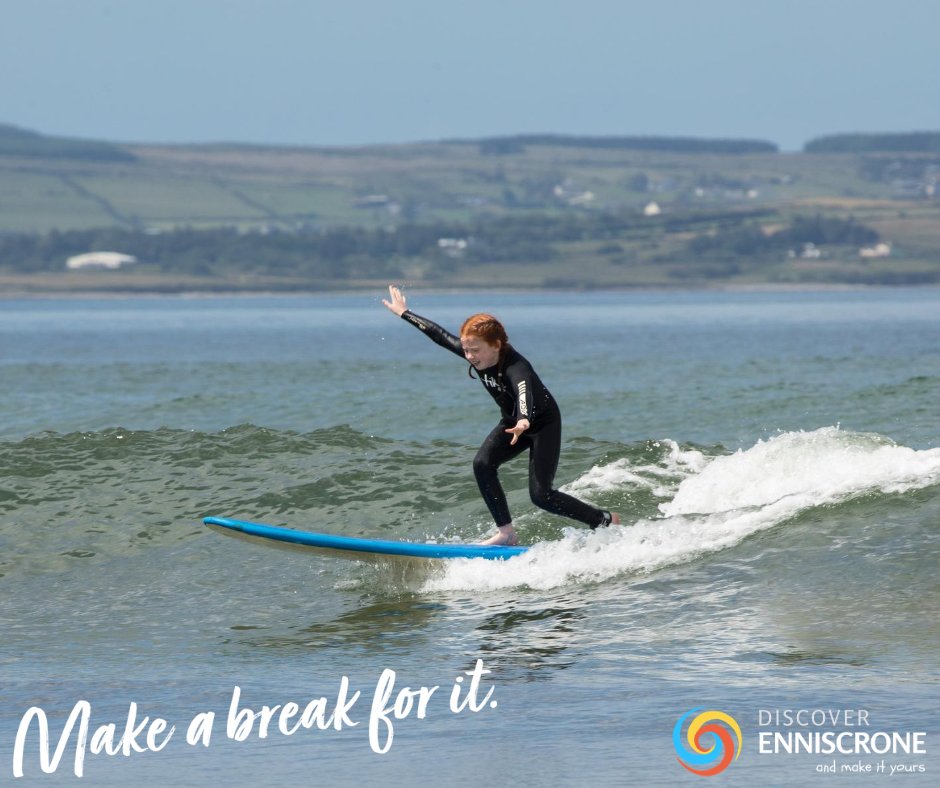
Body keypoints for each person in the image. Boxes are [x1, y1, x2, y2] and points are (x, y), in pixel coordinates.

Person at [382, 285, 620, 546]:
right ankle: (506, 534)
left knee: (542, 496)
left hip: (541, 425)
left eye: (476, 350)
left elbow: (523, 390)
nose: (470, 356)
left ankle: (603, 520)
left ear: (496, 345)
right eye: (467, 350)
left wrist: (524, 420)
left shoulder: (516, 366)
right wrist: (405, 313)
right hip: (512, 422)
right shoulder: (476, 354)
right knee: (482, 464)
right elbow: (439, 335)